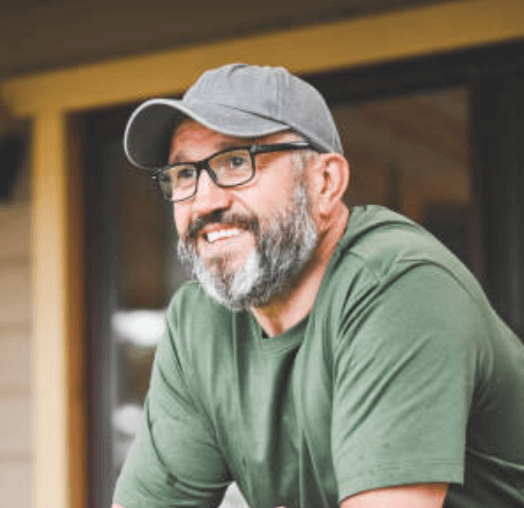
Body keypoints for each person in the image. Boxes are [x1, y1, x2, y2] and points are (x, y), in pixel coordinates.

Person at [112, 63, 524, 508]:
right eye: (184, 174)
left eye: (236, 162)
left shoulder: (399, 284)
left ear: (325, 182)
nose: (204, 201)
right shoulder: (198, 324)